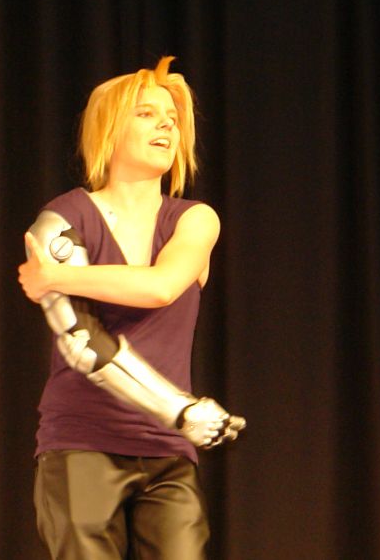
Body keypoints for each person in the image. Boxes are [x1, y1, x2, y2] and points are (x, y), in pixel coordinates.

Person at [18, 56, 244, 559]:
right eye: (146, 114)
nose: (166, 125)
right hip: (82, 443)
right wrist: (179, 409)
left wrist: (57, 276)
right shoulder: (61, 219)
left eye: (172, 118)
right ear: (109, 128)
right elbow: (83, 344)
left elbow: (161, 287)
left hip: (167, 453)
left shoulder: (195, 219)